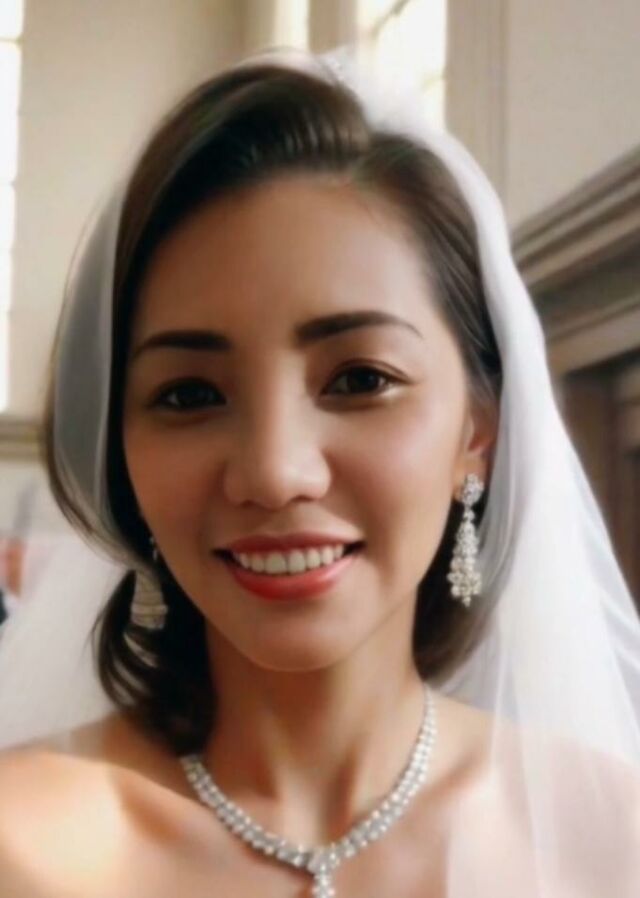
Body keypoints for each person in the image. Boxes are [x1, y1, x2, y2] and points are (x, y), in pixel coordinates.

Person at [0, 51, 638, 897]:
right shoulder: (21, 846)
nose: (274, 472)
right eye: (189, 394)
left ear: (477, 431)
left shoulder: (610, 837)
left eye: (361, 379)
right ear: (121, 448)